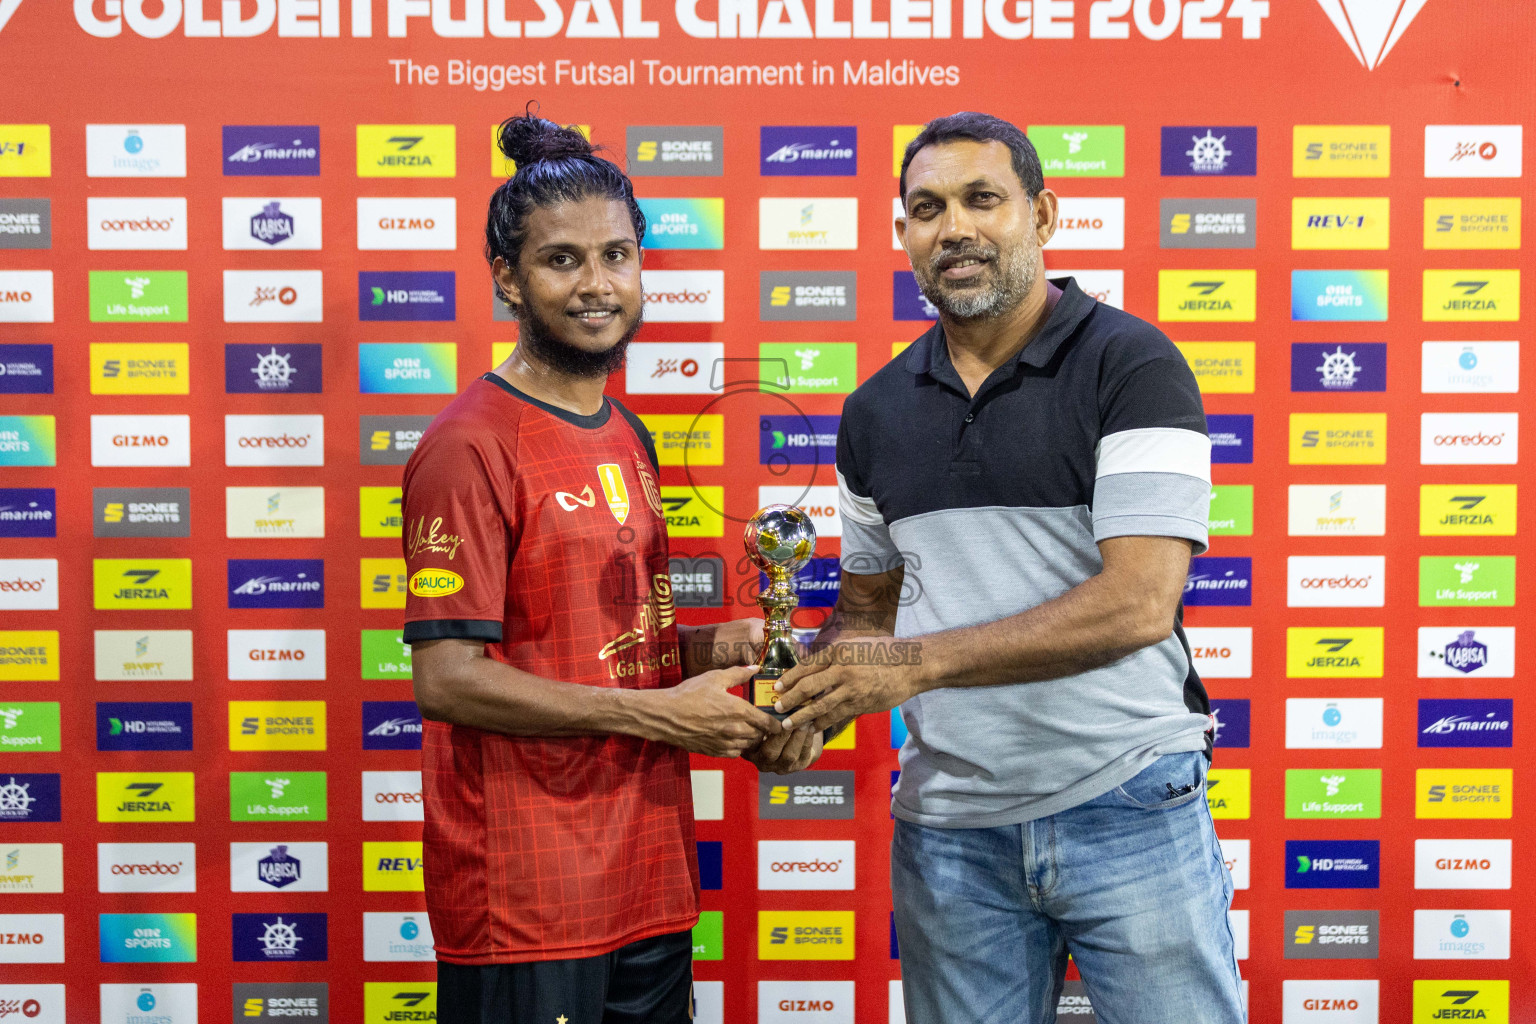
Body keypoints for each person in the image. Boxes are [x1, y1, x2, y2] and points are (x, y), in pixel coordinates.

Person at [774, 112, 1246, 1024]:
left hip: (1128, 797)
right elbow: (869, 616)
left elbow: (1139, 605)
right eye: (927, 207)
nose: (954, 226)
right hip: (950, 830)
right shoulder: (873, 410)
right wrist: (801, 698)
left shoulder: (1133, 364)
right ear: (904, 235)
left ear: (1043, 214)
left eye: (982, 199)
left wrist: (915, 664)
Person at [401, 111, 779, 1024]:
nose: (597, 285)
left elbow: (614, 644)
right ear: (507, 279)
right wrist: (658, 714)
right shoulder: (468, 446)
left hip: (646, 877)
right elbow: (449, 680)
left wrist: (734, 649)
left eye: (617, 255)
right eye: (562, 260)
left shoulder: (627, 431)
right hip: (530, 899)